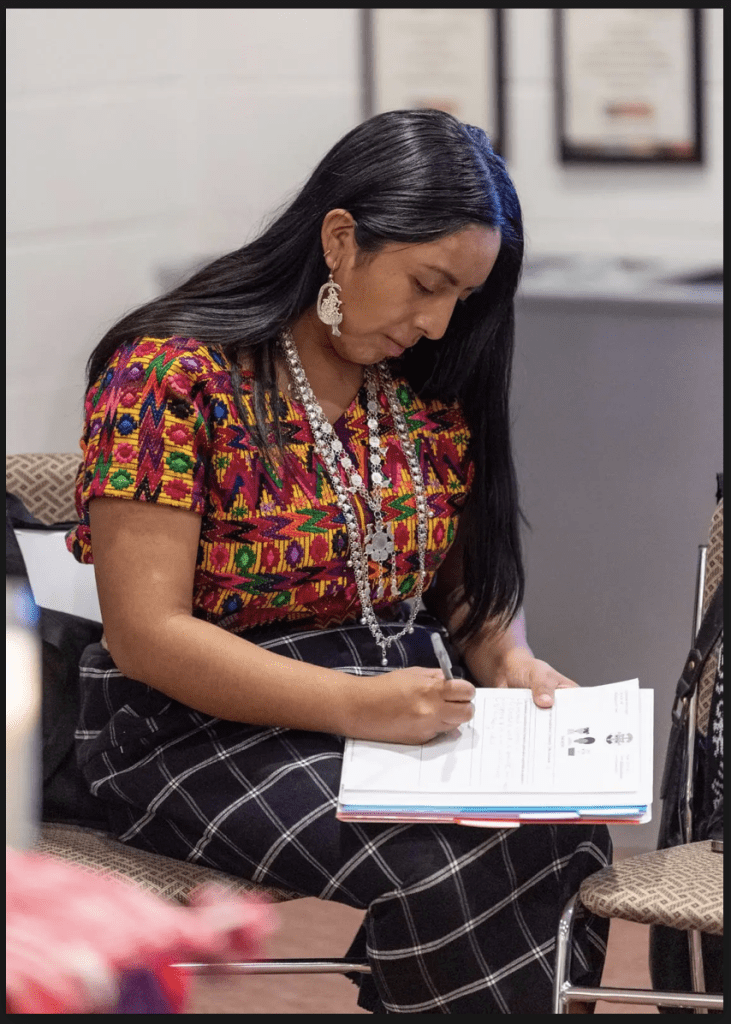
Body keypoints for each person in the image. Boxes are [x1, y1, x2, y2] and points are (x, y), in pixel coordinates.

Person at [67, 108, 612, 1014]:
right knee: (445, 861)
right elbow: (146, 634)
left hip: (389, 703)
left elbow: (460, 572)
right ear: (340, 239)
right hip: (192, 725)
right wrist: (352, 704)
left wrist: (504, 657)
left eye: (461, 299)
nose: (437, 323)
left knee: (564, 829)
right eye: (425, 283)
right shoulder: (168, 373)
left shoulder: (419, 382)